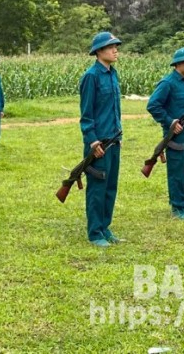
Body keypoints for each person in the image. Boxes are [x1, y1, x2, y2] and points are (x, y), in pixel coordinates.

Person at [146, 48, 184, 219]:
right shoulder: (167, 83)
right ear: (178, 64)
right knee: (177, 174)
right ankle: (177, 207)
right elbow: (153, 105)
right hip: (176, 138)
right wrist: (170, 122)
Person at [80, 31, 123, 247]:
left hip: (114, 140)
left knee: (110, 187)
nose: (115, 50)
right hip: (99, 144)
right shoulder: (91, 77)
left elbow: (114, 109)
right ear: (98, 51)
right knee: (97, 188)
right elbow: (86, 115)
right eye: (111, 47)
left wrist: (119, 133)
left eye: (116, 46)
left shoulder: (112, 74)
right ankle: (95, 232)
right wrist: (92, 141)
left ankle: (105, 227)